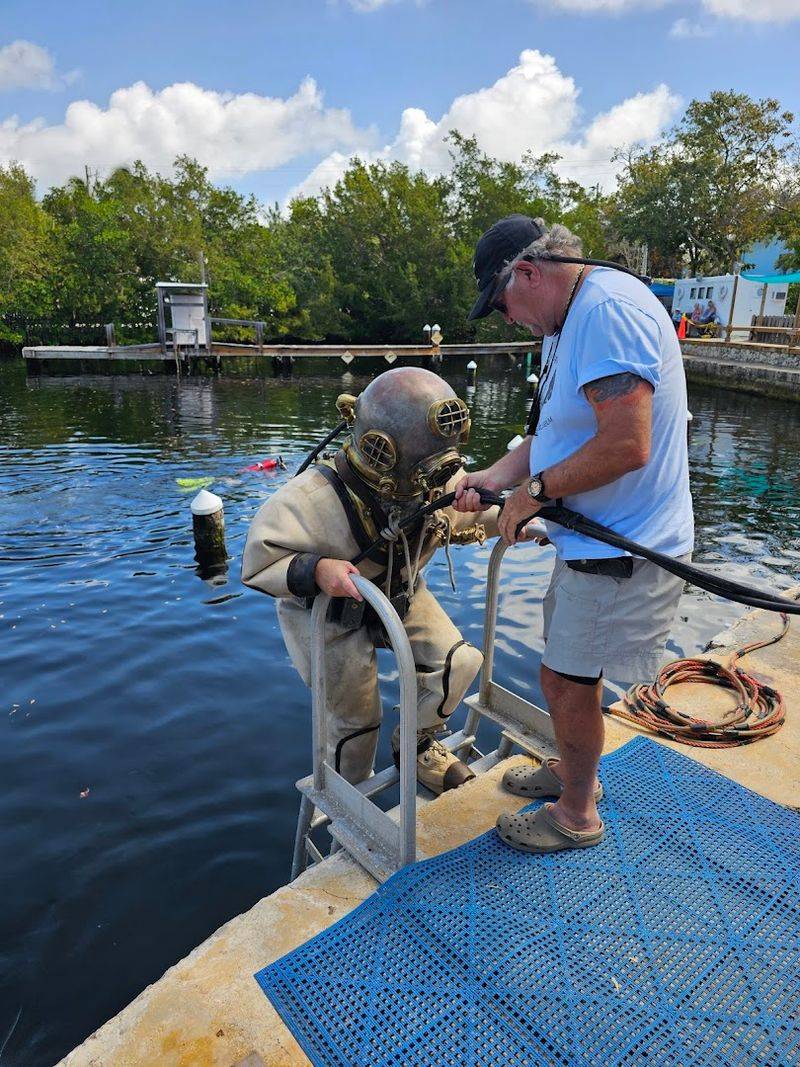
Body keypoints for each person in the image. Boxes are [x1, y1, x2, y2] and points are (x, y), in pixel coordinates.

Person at [455, 214, 694, 855]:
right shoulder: (570, 318)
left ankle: (576, 815)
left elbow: (626, 443)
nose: (506, 319)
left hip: (622, 546)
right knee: (566, 671)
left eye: (503, 302)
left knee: (566, 681)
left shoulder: (607, 311)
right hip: (590, 539)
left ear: (528, 273)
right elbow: (556, 436)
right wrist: (493, 475)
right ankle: (571, 771)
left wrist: (533, 493)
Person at [241, 367, 502, 794]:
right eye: (424, 470)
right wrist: (318, 570)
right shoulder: (310, 499)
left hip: (398, 592)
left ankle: (417, 744)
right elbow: (259, 561)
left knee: (459, 663)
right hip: (327, 615)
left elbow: (468, 513)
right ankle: (350, 791)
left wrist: (512, 520)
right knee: (357, 720)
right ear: (381, 451)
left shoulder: (429, 482)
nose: (436, 481)